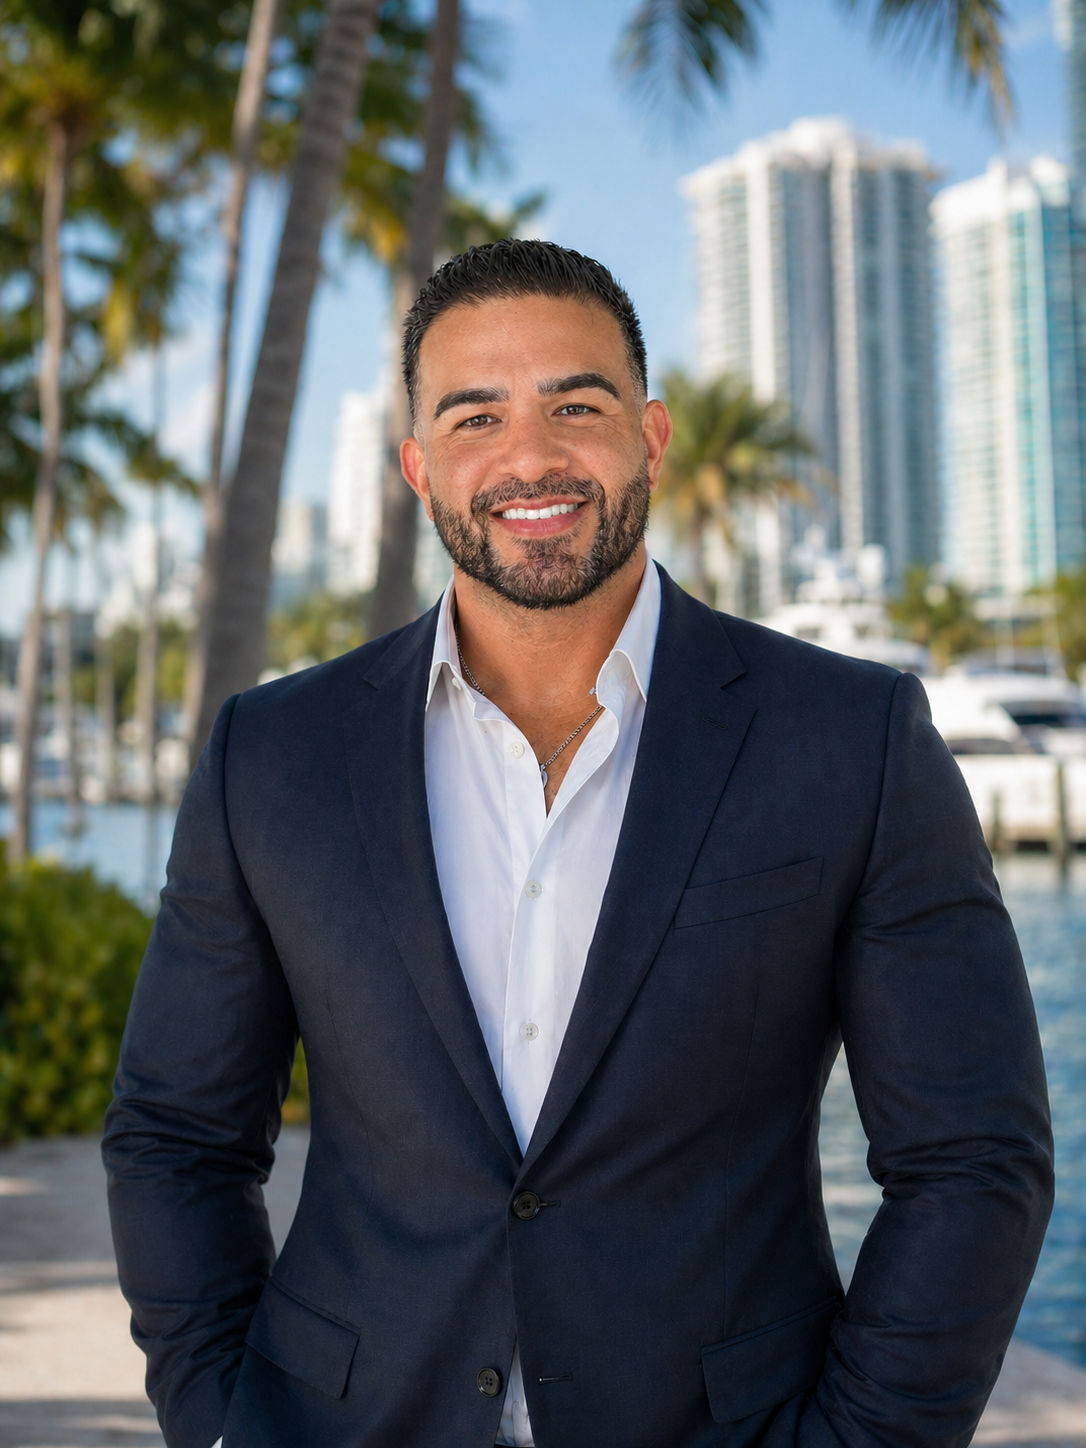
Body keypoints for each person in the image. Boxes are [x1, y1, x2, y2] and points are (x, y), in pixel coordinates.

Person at [103, 240, 1054, 1448]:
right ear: (417, 466)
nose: (530, 456)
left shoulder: (853, 739)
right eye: (475, 416)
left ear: (650, 437)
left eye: (576, 404)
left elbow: (975, 1159)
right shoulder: (271, 754)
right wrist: (223, 1419)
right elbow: (177, 1135)